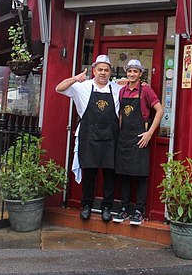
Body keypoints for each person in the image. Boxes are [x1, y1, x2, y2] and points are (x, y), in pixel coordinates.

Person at [55, 54, 122, 222]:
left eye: (106, 70)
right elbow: (59, 88)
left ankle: (107, 207)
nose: (103, 73)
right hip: (89, 137)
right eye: (100, 69)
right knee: (89, 173)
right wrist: (75, 78)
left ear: (110, 72)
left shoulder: (117, 88)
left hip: (110, 138)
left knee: (109, 174)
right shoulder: (82, 86)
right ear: (94, 71)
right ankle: (86, 205)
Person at [113, 59, 164, 226]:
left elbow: (160, 110)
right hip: (124, 138)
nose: (132, 74)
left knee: (141, 175)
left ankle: (138, 211)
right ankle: (124, 208)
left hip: (140, 137)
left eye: (135, 71)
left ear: (140, 74)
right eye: (129, 71)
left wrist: (149, 133)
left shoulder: (146, 91)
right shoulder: (122, 91)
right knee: (124, 175)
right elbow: (121, 114)